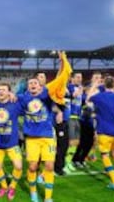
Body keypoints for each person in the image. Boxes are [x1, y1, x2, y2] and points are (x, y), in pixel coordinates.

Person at [20, 52, 72, 202]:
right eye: (30, 83)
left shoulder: (47, 92)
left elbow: (61, 77)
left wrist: (63, 59)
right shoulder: (24, 98)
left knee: (49, 166)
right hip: (31, 139)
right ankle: (33, 192)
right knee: (32, 167)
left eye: (35, 83)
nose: (33, 85)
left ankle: (48, 198)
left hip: (47, 136)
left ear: (40, 85)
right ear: (27, 87)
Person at [0, 82, 23, 201]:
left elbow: (27, 98)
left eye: (4, 90)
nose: (1, 92)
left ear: (9, 92)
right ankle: (4, 187)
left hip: (12, 142)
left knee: (18, 166)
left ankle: (12, 187)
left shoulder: (15, 103)